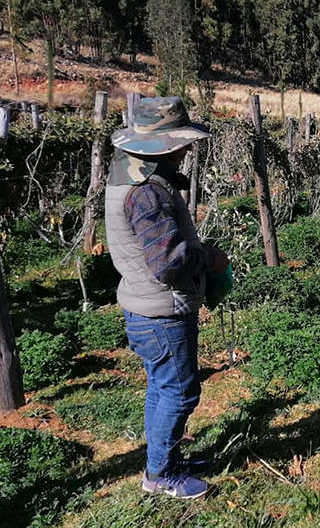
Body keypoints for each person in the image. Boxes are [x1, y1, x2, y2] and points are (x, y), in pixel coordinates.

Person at [106, 96, 229, 498]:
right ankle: (161, 475)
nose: (188, 149)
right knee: (179, 392)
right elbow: (168, 262)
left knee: (162, 387)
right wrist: (208, 257)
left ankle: (165, 460)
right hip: (162, 310)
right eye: (181, 142)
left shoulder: (127, 172)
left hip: (145, 304)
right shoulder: (147, 192)